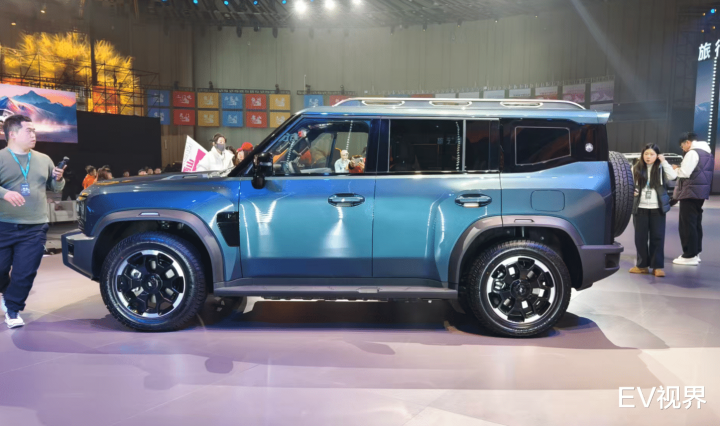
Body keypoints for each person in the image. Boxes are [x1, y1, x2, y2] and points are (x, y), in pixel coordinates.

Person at [0, 115, 65, 328]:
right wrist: (5, 193)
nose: (33, 135)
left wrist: (58, 179)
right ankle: (6, 291)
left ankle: (13, 309)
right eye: (28, 131)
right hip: (3, 225)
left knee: (25, 272)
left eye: (34, 130)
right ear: (12, 134)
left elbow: (54, 188)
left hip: (35, 226)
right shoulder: (1, 158)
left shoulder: (44, 159)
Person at [629, 144, 676, 277]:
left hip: (657, 208)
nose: (648, 157)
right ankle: (642, 266)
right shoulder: (636, 168)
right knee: (640, 238)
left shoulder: (661, 168)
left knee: (658, 237)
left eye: (652, 154)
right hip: (640, 207)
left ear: (657, 155)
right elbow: (629, 184)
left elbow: (673, 176)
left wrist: (664, 161)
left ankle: (657, 267)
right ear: (642, 155)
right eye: (646, 154)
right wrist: (632, 191)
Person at [672, 132, 714, 266]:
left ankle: (689, 255)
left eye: (682, 146)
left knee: (687, 224)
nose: (683, 149)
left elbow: (685, 173)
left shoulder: (692, 153)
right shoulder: (707, 153)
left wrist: (675, 169)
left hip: (690, 192)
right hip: (700, 192)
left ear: (688, 142)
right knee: (695, 223)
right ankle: (695, 253)